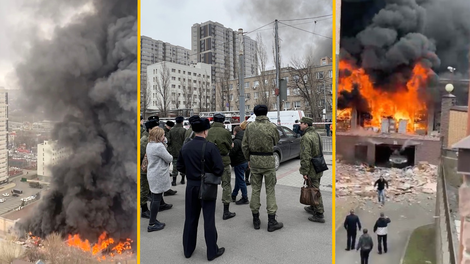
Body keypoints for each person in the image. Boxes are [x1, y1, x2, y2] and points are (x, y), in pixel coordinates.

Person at [177, 116, 225, 261]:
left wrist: (191, 173)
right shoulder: (210, 147)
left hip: (191, 186)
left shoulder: (185, 146)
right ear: (205, 131)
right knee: (208, 219)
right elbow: (219, 169)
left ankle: (188, 250)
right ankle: (212, 251)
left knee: (190, 218)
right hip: (207, 187)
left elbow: (179, 167)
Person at [242, 105, 283, 232]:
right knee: (270, 190)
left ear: (254, 113)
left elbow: (244, 145)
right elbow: (276, 140)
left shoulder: (249, 127)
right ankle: (272, 221)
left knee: (255, 190)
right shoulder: (272, 127)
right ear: (266, 113)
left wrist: (249, 158)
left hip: (254, 161)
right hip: (268, 162)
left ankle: (256, 219)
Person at [140, 116, 174, 219]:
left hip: (150, 168)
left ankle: (161, 204)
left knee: (155, 192)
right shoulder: (145, 140)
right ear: (150, 129)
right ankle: (145, 209)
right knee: (145, 190)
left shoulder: (152, 141)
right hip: (146, 169)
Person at [206, 113, 235, 220]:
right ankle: (226, 211)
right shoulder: (225, 132)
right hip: (223, 161)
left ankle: (208, 209)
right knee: (226, 185)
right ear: (223, 121)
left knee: (209, 184)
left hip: (209, 162)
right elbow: (229, 146)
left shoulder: (207, 131)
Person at [146, 127, 173, 232]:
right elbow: (169, 158)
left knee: (154, 198)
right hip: (158, 175)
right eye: (163, 135)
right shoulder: (159, 147)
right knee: (156, 199)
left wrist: (163, 143)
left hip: (152, 173)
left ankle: (153, 220)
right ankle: (152, 223)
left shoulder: (150, 144)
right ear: (159, 136)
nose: (164, 137)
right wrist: (164, 145)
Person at [299, 117, 325, 223]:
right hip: (319, 165)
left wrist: (304, 171)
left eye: (301, 123)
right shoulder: (317, 134)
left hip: (311, 168)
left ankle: (319, 213)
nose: (300, 125)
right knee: (314, 187)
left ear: (306, 124)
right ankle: (313, 206)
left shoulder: (306, 137)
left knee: (314, 190)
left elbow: (305, 156)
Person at [230, 126, 249, 205]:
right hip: (245, 161)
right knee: (239, 179)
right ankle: (234, 195)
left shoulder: (236, 141)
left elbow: (232, 152)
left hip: (238, 163)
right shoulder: (245, 139)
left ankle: (245, 197)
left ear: (235, 132)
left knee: (241, 181)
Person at [168, 116, 187, 186]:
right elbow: (185, 141)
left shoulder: (171, 130)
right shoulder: (183, 130)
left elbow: (168, 141)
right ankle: (182, 179)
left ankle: (174, 181)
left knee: (174, 165)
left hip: (173, 151)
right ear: (182, 122)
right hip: (182, 150)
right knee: (183, 165)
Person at [240, 120, 251, 185]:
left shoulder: (240, 133)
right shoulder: (248, 133)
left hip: (241, 152)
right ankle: (247, 179)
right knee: (248, 166)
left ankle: (243, 179)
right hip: (247, 152)